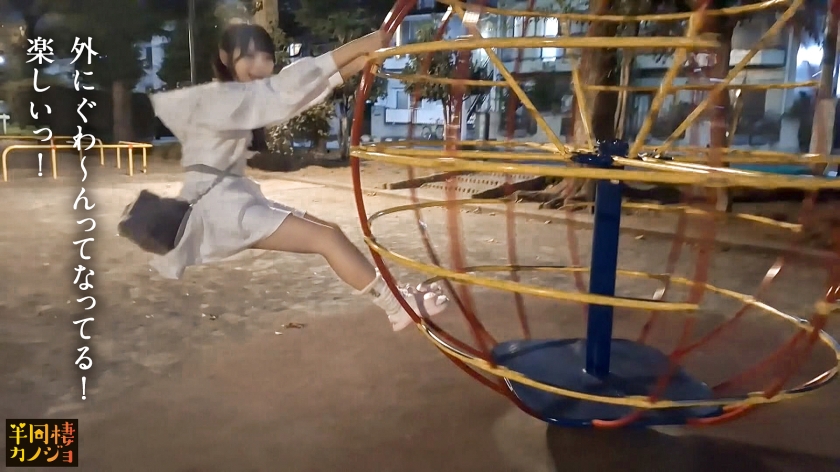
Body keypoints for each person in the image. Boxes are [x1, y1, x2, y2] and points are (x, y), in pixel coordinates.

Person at [147, 23, 449, 332]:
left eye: (265, 57)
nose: (258, 65)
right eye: (248, 56)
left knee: (330, 231)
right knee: (327, 239)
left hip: (230, 200)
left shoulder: (242, 95)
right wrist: (363, 44)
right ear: (225, 57)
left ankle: (395, 297)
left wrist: (358, 63)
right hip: (220, 211)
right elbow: (287, 89)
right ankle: (396, 307)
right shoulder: (227, 97)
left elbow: (296, 95)